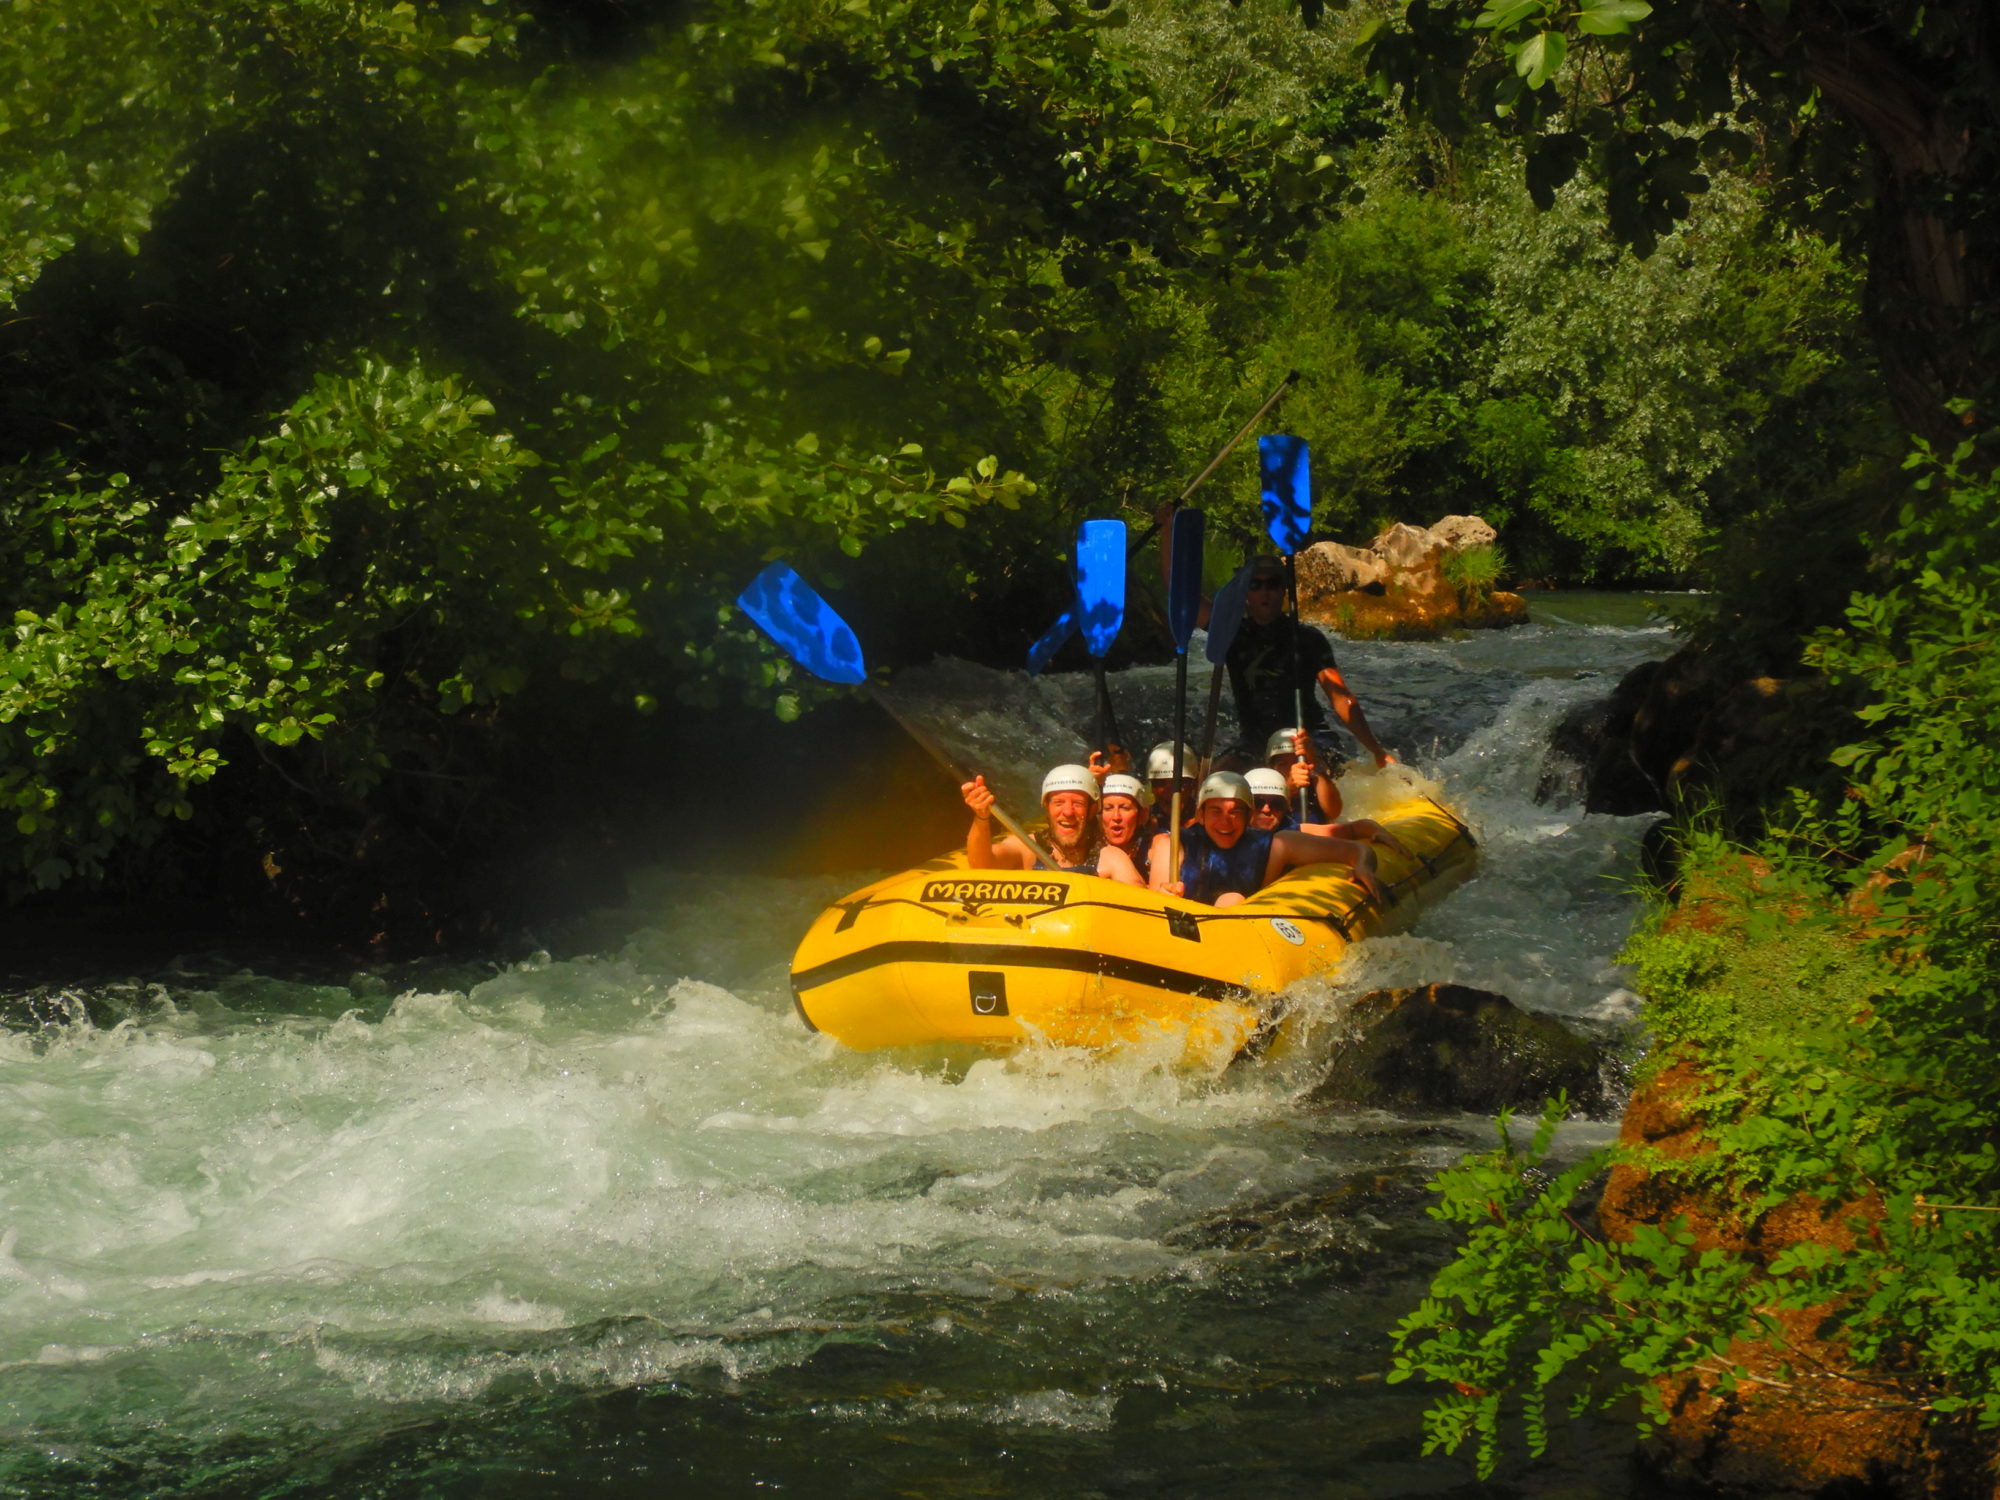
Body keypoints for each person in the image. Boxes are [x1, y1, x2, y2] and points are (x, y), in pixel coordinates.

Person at [1156, 512, 1394, 770]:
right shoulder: (1230, 632)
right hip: (1254, 743)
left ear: (1284, 590)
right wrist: (1167, 530)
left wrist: (1377, 751)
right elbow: (1180, 593)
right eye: (1256, 585)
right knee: (1215, 783)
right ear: (1246, 593)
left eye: (1272, 584)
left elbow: (1341, 698)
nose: (1264, 592)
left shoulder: (1307, 638)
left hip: (1309, 739)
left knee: (1310, 778)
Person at [1148, 771, 1388, 908]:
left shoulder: (1278, 844)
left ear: (1248, 816)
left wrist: (1364, 866)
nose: (1226, 821)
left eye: (1235, 811)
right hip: (1186, 933)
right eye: (1216, 811)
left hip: (1248, 932)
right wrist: (1166, 895)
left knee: (1231, 900)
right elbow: (1153, 899)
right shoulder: (1171, 844)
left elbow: (1355, 850)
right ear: (1200, 815)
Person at [961, 765, 1143, 884]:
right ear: (1047, 808)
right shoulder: (1027, 848)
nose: (1068, 812)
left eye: (1077, 804)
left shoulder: (1109, 858)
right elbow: (981, 864)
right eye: (1058, 803)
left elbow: (1139, 899)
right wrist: (982, 817)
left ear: (1092, 809)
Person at [1266, 726, 1343, 823]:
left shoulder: (1315, 783)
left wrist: (1313, 764)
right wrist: (1290, 789)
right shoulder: (1262, 793)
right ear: (1272, 768)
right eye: (1283, 764)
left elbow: (1334, 811)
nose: (1292, 768)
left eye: (1297, 760)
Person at [1097, 772, 1154, 883]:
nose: (1116, 817)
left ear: (1143, 815)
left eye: (1125, 808)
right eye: (1108, 808)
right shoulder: (1088, 850)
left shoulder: (1152, 850)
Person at [1143, 740, 1200, 837]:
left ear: (1194, 783)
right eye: (1161, 783)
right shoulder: (1142, 823)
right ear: (1152, 786)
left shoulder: (1210, 825)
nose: (1170, 792)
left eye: (1179, 783)